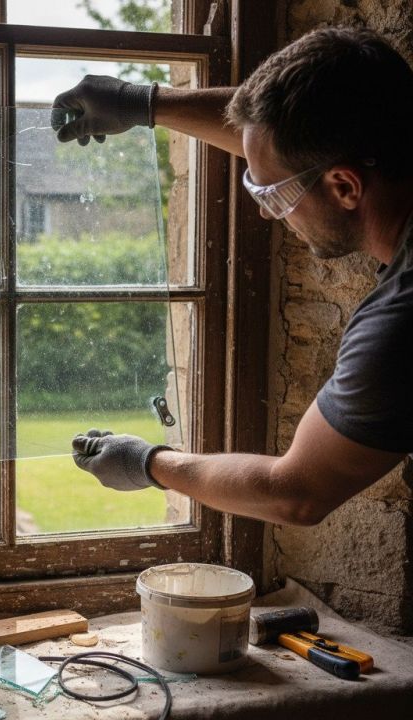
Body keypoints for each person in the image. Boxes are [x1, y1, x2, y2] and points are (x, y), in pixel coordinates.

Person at [53, 26, 413, 526]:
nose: (268, 214)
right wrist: (141, 103)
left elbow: (296, 492)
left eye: (273, 195)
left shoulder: (399, 327)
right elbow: (286, 141)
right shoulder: (392, 123)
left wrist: (148, 463)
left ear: (345, 187)